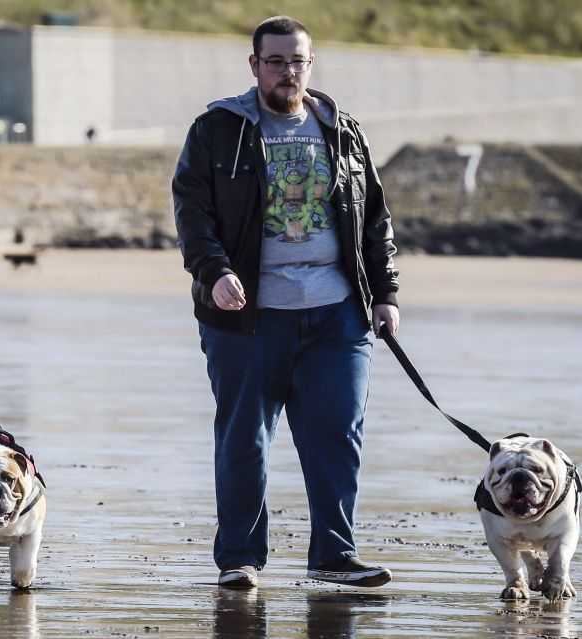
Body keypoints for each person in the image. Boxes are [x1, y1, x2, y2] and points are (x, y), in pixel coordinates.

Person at [172, 16, 400, 589]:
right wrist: (214, 271)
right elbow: (192, 213)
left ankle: (333, 556)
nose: (287, 72)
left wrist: (386, 292)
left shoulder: (343, 129)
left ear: (310, 63)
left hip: (337, 314)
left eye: (297, 61)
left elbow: (374, 217)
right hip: (246, 315)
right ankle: (240, 560)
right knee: (245, 440)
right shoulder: (218, 129)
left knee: (337, 434)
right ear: (254, 66)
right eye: (275, 61)